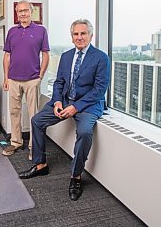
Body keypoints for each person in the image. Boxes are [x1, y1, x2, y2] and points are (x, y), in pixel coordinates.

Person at [18, 19, 110, 201]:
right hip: (65, 101)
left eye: (83, 33)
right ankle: (40, 164)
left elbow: (99, 90)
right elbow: (59, 82)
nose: (79, 37)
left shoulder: (101, 58)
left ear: (91, 35)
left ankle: (76, 177)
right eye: (76, 34)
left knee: (84, 132)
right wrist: (58, 101)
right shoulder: (66, 56)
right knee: (37, 121)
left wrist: (75, 107)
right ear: (71, 37)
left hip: (89, 105)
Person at [2, 0, 49, 159]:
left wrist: (40, 76)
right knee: (14, 112)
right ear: (17, 13)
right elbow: (7, 56)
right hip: (13, 79)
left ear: (31, 12)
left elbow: (46, 55)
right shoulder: (12, 31)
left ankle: (33, 146)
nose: (22, 13)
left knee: (33, 114)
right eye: (19, 11)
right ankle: (16, 142)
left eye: (25, 10)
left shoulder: (41, 31)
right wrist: (6, 77)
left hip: (32, 80)